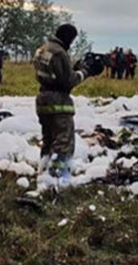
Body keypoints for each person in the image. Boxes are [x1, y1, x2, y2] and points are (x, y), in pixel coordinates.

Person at [34, 24, 103, 187]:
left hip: (43, 98)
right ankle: (57, 177)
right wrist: (86, 72)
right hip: (58, 101)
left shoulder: (42, 49)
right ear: (69, 38)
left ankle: (43, 171)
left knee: (48, 138)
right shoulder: (59, 53)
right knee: (63, 140)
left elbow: (55, 74)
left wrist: (74, 68)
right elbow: (68, 81)